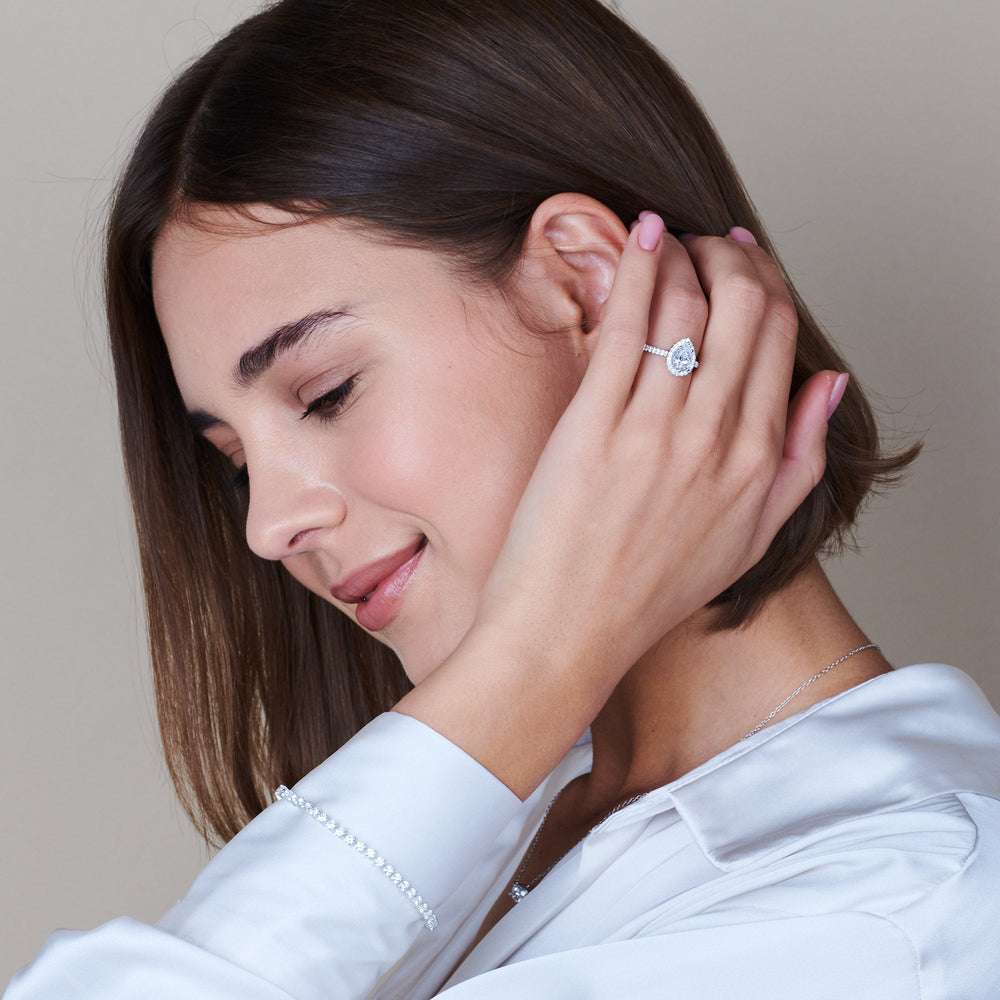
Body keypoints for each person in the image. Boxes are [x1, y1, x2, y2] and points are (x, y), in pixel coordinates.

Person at [6, 0, 999, 997]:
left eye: (325, 391)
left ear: (586, 282)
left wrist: (534, 661)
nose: (268, 525)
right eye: (234, 463)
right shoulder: (499, 828)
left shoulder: (876, 923)